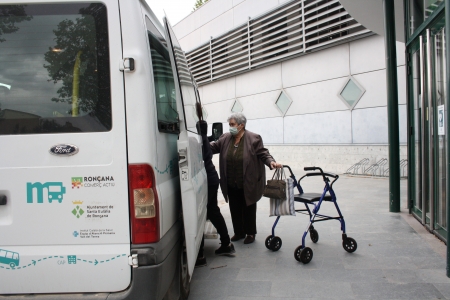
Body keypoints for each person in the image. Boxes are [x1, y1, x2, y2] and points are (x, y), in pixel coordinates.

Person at [211, 112, 282, 244]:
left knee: (248, 206)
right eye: (229, 124)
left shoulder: (254, 138)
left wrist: (271, 162)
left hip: (248, 181)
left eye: (232, 124)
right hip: (231, 181)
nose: (230, 127)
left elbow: (263, 153)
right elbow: (213, 147)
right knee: (234, 207)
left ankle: (250, 233)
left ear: (241, 125)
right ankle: (239, 232)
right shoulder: (225, 138)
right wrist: (200, 143)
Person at [196, 120, 235, 267]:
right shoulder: (203, 138)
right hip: (211, 178)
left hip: (207, 179)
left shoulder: (199, 141)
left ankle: (199, 255)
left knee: (202, 213)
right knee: (212, 211)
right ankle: (226, 243)